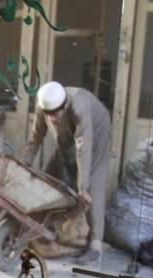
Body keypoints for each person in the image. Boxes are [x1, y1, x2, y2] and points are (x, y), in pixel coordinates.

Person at [20, 81, 113, 264]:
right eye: (49, 115)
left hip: (96, 136)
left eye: (56, 114)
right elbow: (35, 137)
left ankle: (95, 243)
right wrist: (23, 164)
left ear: (66, 104)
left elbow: (83, 148)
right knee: (50, 177)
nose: (52, 119)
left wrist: (83, 187)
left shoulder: (80, 107)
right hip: (68, 138)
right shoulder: (45, 106)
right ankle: (49, 232)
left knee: (92, 188)